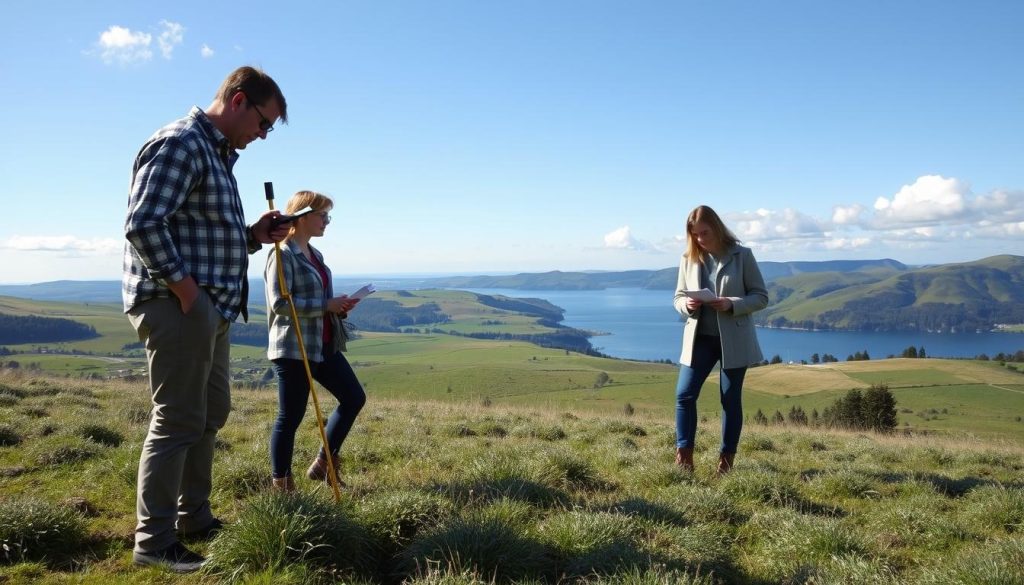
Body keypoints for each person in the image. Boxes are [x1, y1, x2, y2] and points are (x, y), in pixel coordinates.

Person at [123, 66, 289, 573]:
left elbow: (203, 236)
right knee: (177, 420)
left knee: (209, 414)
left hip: (208, 308)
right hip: (178, 307)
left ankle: (193, 516)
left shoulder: (215, 156)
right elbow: (143, 223)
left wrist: (252, 235)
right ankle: (154, 542)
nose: (262, 136)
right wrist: (187, 292)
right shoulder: (182, 143)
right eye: (264, 123)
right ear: (239, 100)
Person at [265, 191, 366, 493]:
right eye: (323, 215)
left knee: (353, 398)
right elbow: (279, 304)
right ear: (303, 216)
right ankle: (282, 486)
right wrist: (326, 305)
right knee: (291, 416)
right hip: (294, 347)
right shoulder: (281, 254)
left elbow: (322, 300)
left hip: (323, 344)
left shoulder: (315, 255)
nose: (327, 222)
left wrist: (338, 306)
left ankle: (323, 464)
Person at [672, 205, 769, 474]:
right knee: (684, 395)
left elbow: (761, 296)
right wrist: (687, 306)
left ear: (716, 226)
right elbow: (678, 297)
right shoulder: (688, 258)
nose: (701, 239)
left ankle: (726, 463)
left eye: (705, 232)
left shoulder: (742, 255)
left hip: (734, 340)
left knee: (729, 400)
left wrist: (731, 303)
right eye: (695, 235)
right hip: (699, 339)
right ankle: (684, 459)